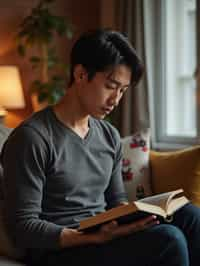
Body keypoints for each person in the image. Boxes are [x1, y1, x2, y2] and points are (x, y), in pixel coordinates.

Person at [1, 29, 200, 266]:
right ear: (81, 74)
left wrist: (137, 216)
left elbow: (116, 202)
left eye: (123, 90)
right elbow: (23, 227)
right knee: (169, 239)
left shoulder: (109, 136)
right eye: (111, 86)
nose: (116, 100)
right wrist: (91, 238)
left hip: (103, 236)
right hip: (60, 250)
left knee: (189, 215)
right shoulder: (32, 138)